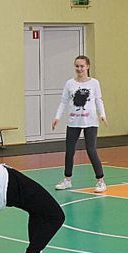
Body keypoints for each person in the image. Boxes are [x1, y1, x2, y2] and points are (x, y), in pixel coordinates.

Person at [52, 55, 108, 193]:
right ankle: (67, 180)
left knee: (91, 150)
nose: (79, 69)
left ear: (87, 66)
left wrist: (102, 115)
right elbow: (64, 101)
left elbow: (98, 100)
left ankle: (100, 181)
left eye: (82, 66)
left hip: (90, 122)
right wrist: (57, 117)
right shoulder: (69, 83)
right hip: (73, 122)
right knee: (70, 151)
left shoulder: (94, 83)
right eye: (77, 66)